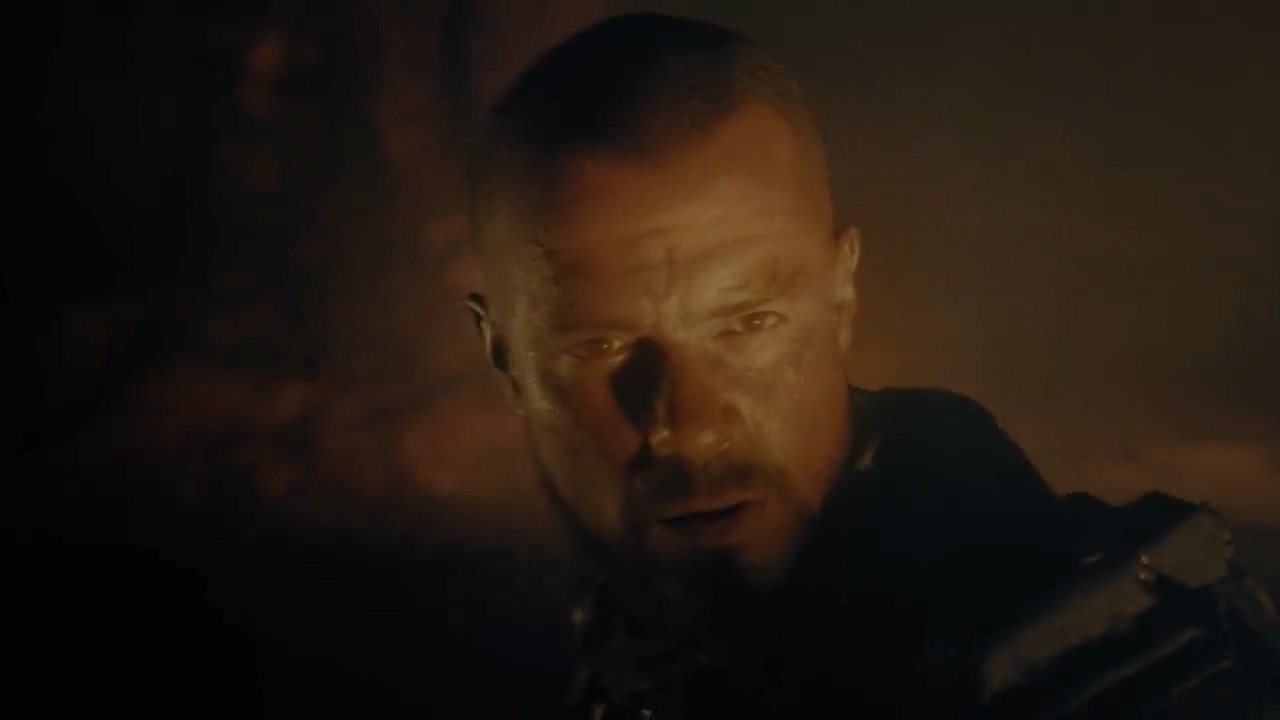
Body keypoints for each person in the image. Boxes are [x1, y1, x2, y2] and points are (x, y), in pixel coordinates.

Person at [463, 12, 1279, 719]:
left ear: (842, 293)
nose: (694, 426)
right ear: (504, 356)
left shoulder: (1109, 677)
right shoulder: (627, 643)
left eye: (749, 323)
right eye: (601, 348)